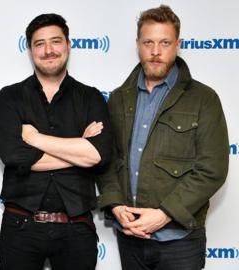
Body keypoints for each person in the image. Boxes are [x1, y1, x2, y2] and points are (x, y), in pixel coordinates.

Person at [97, 5, 229, 270]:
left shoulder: (204, 99)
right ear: (138, 44)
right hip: (130, 238)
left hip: (180, 241)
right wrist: (114, 205)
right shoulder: (119, 98)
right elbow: (108, 160)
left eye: (165, 43)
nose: (156, 51)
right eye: (148, 42)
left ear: (177, 44)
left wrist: (164, 214)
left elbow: (212, 169)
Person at [0, 13, 112, 270]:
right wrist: (77, 148)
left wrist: (35, 139)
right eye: (40, 43)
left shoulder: (91, 97)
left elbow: (97, 155)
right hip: (20, 228)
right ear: (30, 50)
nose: (49, 50)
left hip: (77, 229)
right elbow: (15, 156)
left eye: (56, 41)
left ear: (68, 45)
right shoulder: (9, 97)